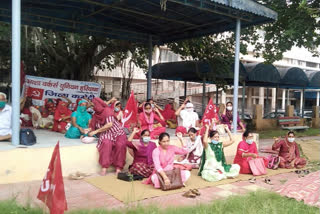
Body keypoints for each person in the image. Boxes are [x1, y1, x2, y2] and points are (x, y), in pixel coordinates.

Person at [88, 97, 127, 176]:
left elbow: (109, 125)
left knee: (120, 145)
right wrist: (87, 131)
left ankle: (118, 167)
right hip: (105, 133)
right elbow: (92, 126)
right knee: (106, 143)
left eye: (94, 105)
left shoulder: (107, 111)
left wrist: (96, 131)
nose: (93, 107)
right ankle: (104, 167)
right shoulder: (96, 114)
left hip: (117, 132)